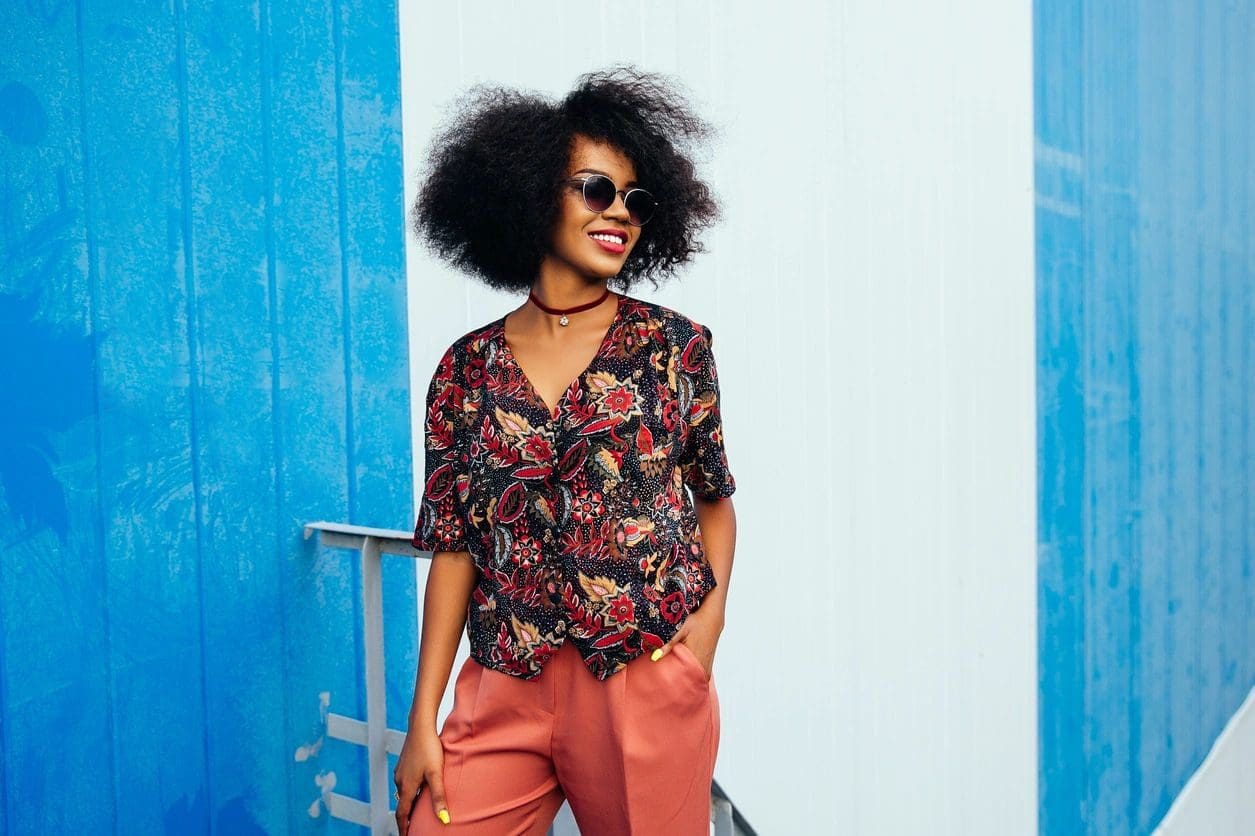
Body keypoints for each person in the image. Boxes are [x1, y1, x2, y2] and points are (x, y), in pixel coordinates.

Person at [397, 65, 738, 836]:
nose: (619, 212)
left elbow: (714, 502)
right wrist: (425, 716)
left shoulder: (674, 348)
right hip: (501, 681)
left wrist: (703, 637)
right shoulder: (465, 369)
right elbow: (453, 548)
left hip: (640, 677)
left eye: (636, 200)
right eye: (596, 189)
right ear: (527, 192)